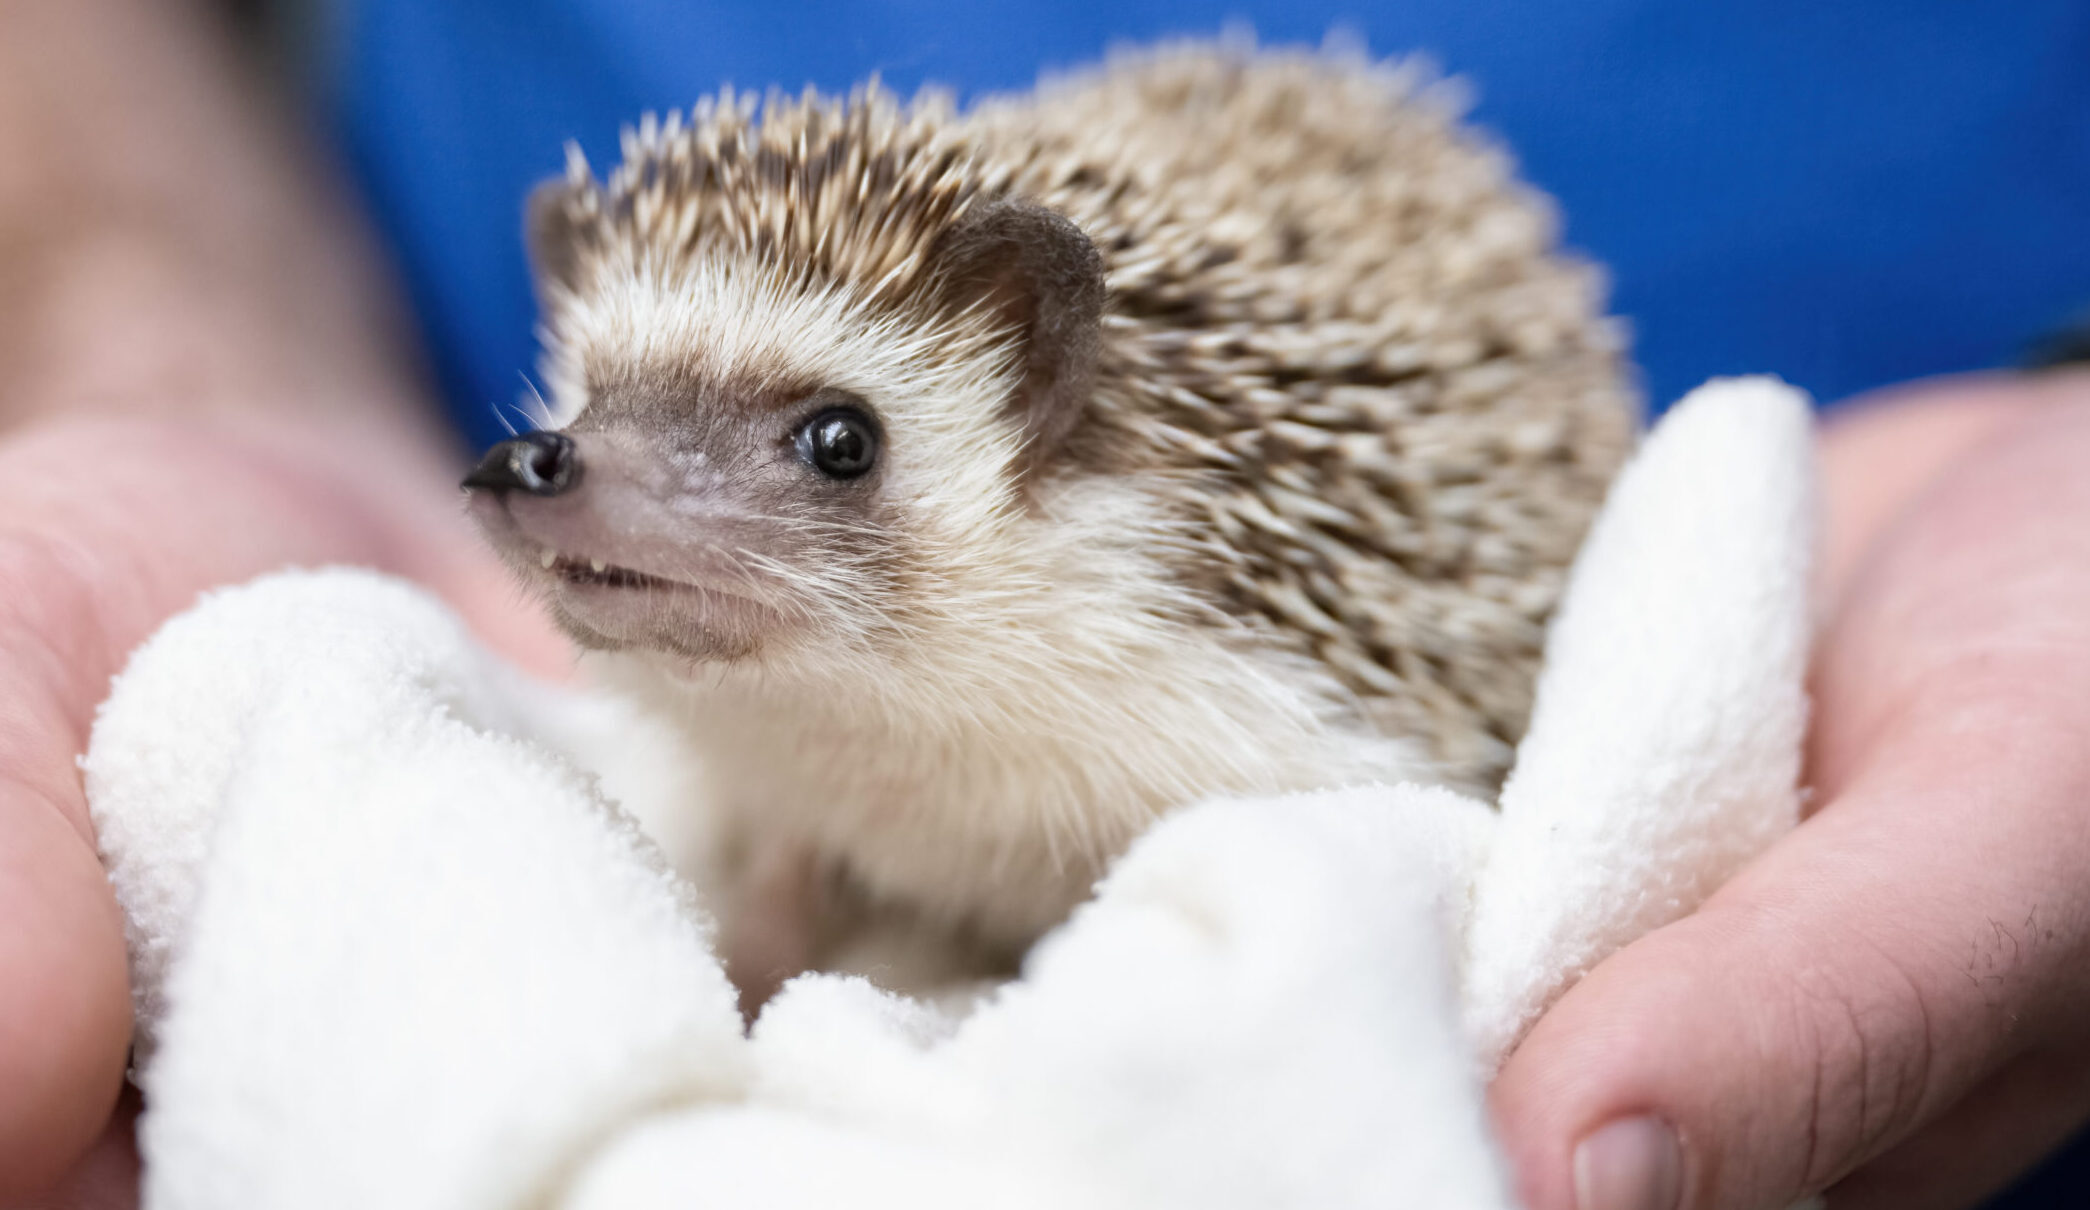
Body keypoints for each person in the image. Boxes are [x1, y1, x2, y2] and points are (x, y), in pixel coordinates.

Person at [2, 2, 2086, 1207]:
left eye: (829, 447)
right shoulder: (674, 663)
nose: (597, 499)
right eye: (600, 422)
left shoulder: (1205, 691)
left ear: (1040, 411)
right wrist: (146, 343)